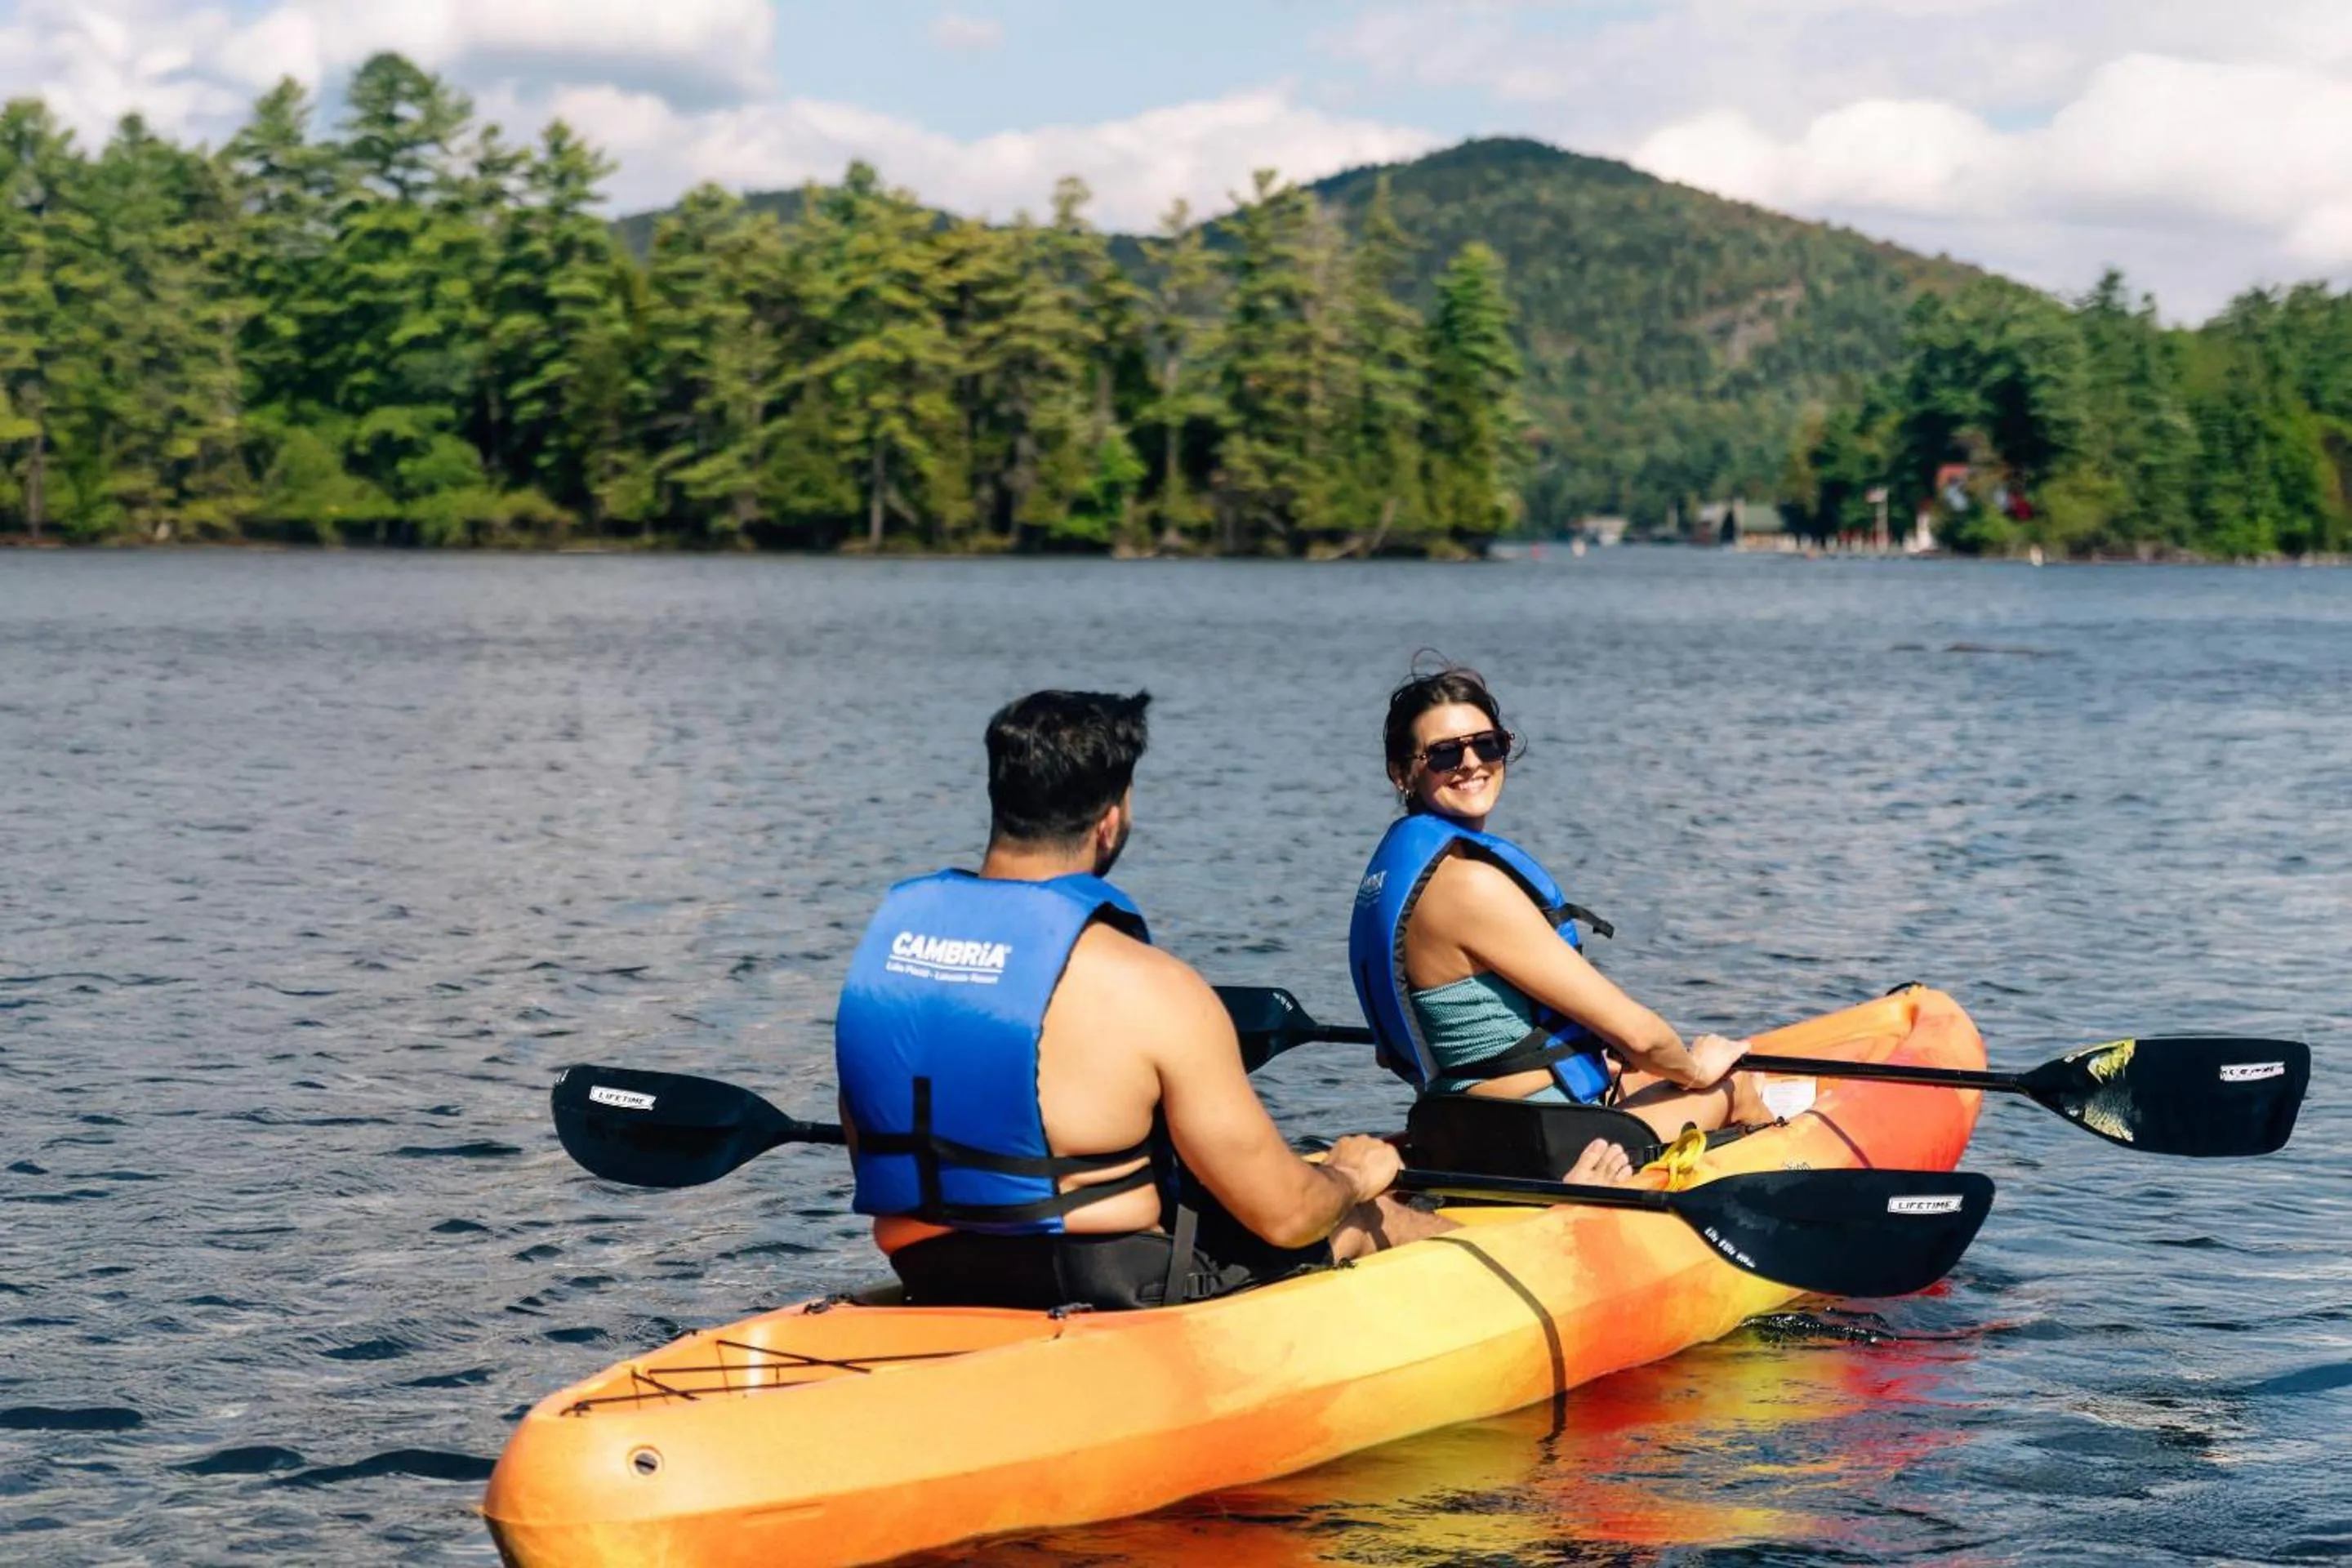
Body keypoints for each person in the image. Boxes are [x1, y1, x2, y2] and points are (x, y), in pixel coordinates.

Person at [835, 689, 1523, 1315]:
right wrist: (1350, 1177)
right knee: (1364, 1218)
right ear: (1110, 821)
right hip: (1100, 1281)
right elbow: (1287, 1217)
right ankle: (1519, 1277)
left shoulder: (887, 957)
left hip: (926, 1265)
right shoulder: (1151, 985)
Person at [1349, 665, 1768, 1152]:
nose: (1471, 763)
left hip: (1454, 1128)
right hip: (1536, 1141)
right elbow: (1641, 1037)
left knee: (1632, 1079)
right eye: (1444, 753)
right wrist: (1698, 1067)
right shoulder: (1470, 886)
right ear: (1402, 772)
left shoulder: (1398, 882)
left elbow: (1395, 1054)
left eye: (1486, 744)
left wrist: (1585, 1058)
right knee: (1736, 1088)